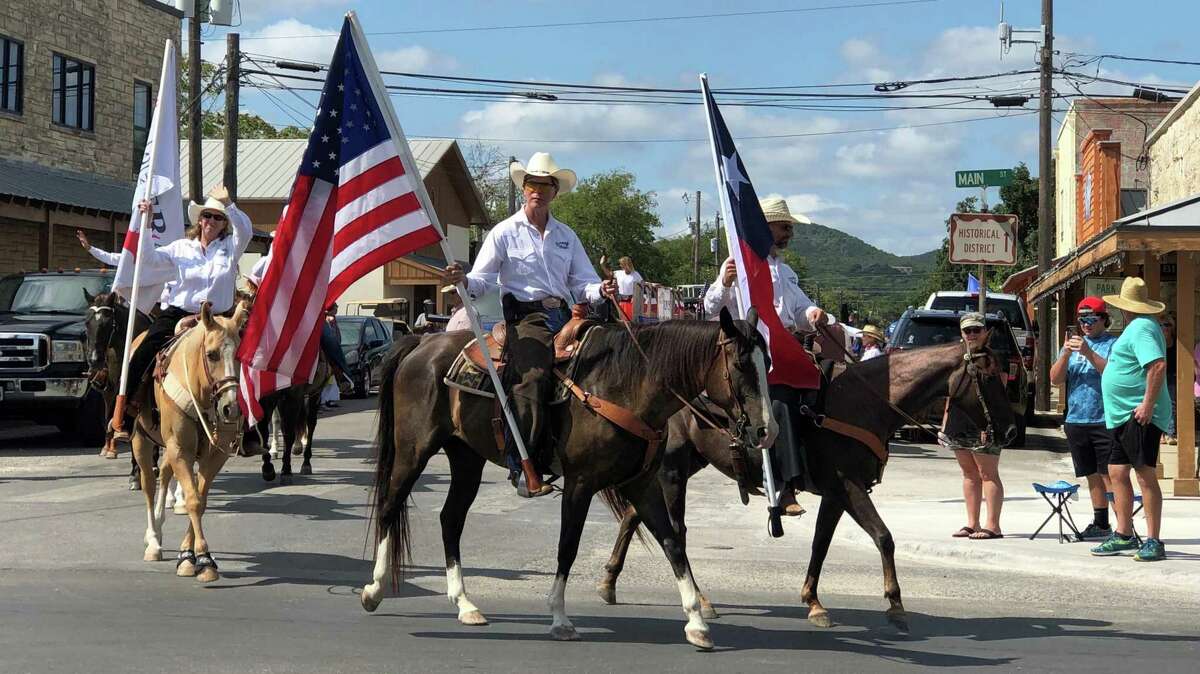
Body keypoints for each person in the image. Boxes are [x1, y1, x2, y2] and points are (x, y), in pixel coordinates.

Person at [442, 152, 617, 497]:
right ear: (524, 189)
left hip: (565, 314)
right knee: (533, 376)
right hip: (525, 317)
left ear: (555, 191)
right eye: (532, 183)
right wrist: (464, 279)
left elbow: (583, 282)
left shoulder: (566, 236)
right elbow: (483, 277)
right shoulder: (504, 232)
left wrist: (602, 289)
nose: (537, 190)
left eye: (544, 184)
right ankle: (523, 463)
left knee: (607, 359)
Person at [702, 197, 830, 517]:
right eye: (784, 226)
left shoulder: (785, 271)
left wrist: (813, 313)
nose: (789, 233)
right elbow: (710, 308)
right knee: (780, 399)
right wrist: (724, 283)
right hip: (748, 347)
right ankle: (783, 485)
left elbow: (799, 309)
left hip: (784, 345)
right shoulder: (740, 264)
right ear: (766, 227)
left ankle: (823, 462)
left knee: (827, 380)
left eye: (789, 227)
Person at [112, 186, 252, 440]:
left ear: (224, 224)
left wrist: (228, 203)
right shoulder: (180, 248)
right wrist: (146, 223)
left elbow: (246, 230)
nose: (211, 221)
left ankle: (250, 426)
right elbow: (150, 259)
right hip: (181, 313)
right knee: (144, 350)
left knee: (251, 356)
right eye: (207, 216)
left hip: (220, 319)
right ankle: (126, 412)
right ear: (199, 220)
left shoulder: (231, 247)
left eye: (218, 217)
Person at [1092, 277, 1170, 562]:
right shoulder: (1138, 327)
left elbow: (1158, 364)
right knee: (1116, 472)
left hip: (1137, 415)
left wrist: (1147, 405)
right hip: (1123, 416)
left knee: (1144, 474)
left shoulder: (1141, 327)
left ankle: (1153, 540)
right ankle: (1124, 534)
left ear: (1124, 307)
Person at [1049, 296, 1117, 540]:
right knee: (1091, 475)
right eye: (1082, 319)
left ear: (1104, 320)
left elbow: (1112, 374)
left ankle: (1124, 528)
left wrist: (1088, 353)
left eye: (1091, 319)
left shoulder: (1113, 344)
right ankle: (1101, 522)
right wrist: (1066, 355)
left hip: (1104, 418)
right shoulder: (1072, 344)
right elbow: (1055, 379)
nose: (1086, 324)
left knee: (1110, 474)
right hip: (1077, 419)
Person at [245, 252, 353, 393]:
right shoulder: (265, 262)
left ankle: (341, 374)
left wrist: (326, 307)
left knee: (327, 336)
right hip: (267, 317)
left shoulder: (301, 266)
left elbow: (317, 294)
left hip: (300, 316)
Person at [945, 312, 1005, 540]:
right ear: (961, 333)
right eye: (967, 330)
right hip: (959, 421)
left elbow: (996, 398)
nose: (972, 334)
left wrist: (987, 425)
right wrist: (945, 425)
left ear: (985, 332)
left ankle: (993, 525)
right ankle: (972, 522)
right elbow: (951, 394)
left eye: (976, 330)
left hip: (985, 424)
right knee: (969, 473)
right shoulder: (957, 358)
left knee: (988, 473)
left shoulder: (991, 359)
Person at [1159, 313, 1178, 444]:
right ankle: (1161, 434)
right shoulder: (1156, 340)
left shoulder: (1177, 342)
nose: (1164, 328)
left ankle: (1170, 433)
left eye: (1167, 325)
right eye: (1161, 325)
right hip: (1158, 374)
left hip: (1172, 375)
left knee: (1172, 403)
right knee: (1158, 403)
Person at [614, 256, 644, 321]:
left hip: (631, 301)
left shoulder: (635, 274)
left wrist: (636, 296)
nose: (620, 265)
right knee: (622, 320)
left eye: (621, 264)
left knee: (630, 320)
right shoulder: (618, 273)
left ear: (626, 264)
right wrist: (602, 265)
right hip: (621, 301)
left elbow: (642, 285)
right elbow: (608, 273)